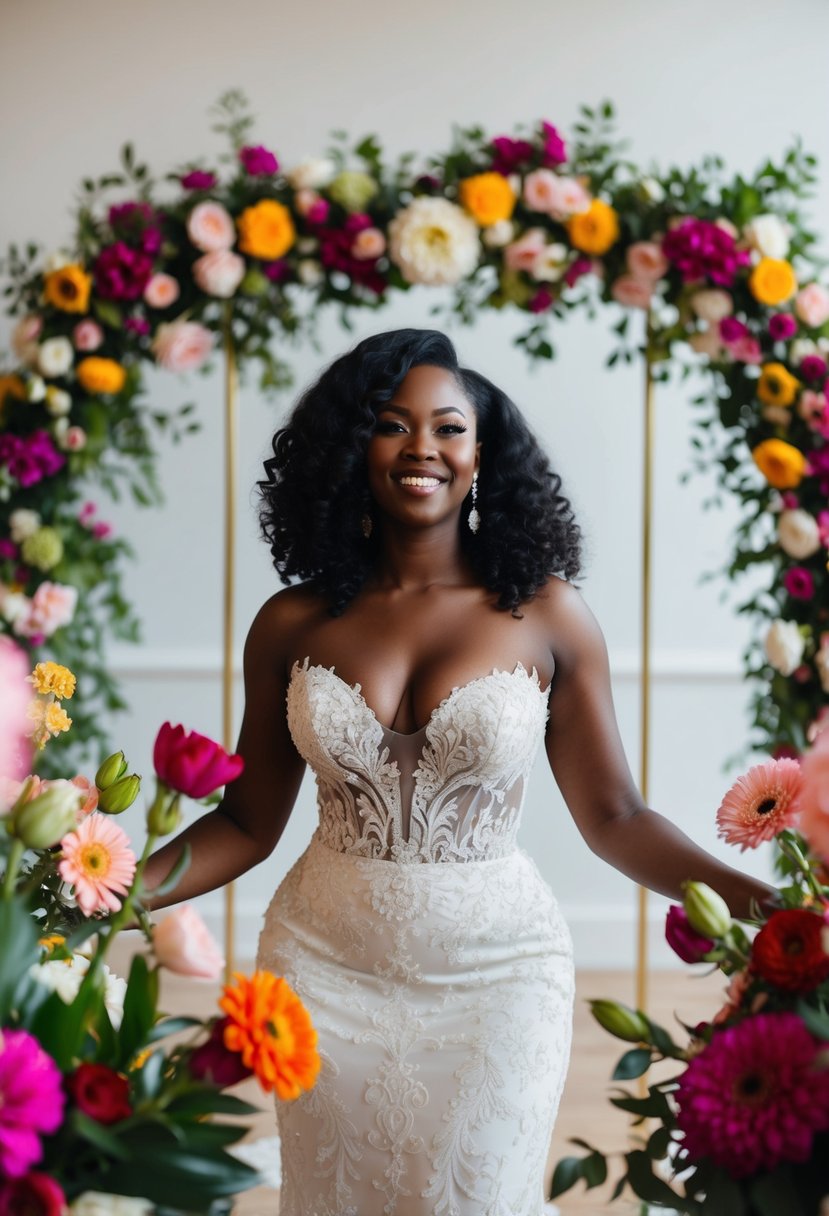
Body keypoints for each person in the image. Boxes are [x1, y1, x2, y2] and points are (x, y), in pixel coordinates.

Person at [145, 328, 773, 1216]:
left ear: (482, 455)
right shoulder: (291, 622)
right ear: (351, 447)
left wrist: (765, 911)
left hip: (497, 975)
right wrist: (111, 892)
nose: (421, 449)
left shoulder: (548, 614)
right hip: (320, 967)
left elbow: (617, 817)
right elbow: (247, 824)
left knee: (475, 1197)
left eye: (447, 427)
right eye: (390, 424)